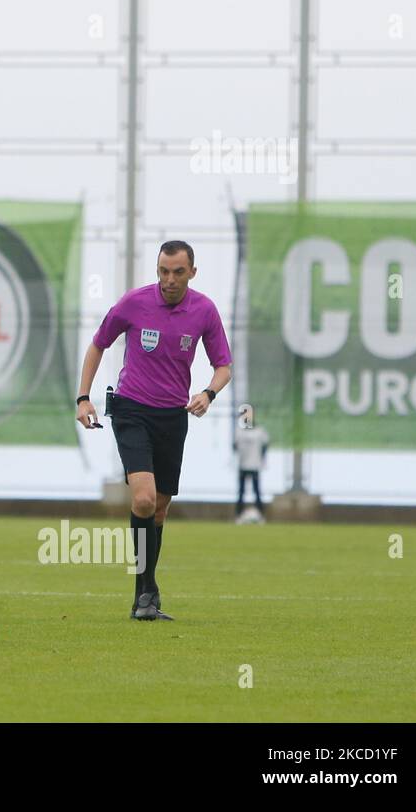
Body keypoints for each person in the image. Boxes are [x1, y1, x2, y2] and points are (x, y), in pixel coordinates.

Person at [76, 241, 232, 621]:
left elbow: (224, 366)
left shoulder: (205, 311)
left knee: (160, 509)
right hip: (131, 410)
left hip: (173, 417)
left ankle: (144, 596)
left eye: (178, 272)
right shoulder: (135, 303)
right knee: (144, 499)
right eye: (163, 271)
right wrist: (83, 397)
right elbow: (98, 344)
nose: (169, 279)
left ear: (192, 272)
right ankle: (147, 590)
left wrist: (208, 393)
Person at [234, 410, 269, 522]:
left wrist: (261, 458)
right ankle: (239, 516)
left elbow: (265, 445)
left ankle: (261, 516)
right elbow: (235, 446)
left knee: (257, 491)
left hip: (254, 465)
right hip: (242, 465)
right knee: (241, 492)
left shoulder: (259, 431)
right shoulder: (239, 431)